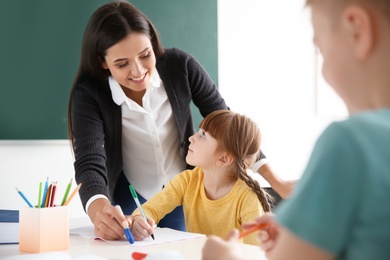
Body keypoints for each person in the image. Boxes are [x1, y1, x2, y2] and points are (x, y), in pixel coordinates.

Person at [67, 0, 292, 241]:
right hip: (129, 194)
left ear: (153, 44)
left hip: (184, 190)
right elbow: (90, 162)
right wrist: (98, 210)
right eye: (122, 64)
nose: (138, 71)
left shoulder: (180, 66)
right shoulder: (89, 95)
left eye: (145, 55)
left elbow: (231, 129)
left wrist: (276, 181)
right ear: (103, 62)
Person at [202, 0, 390, 259]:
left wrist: (225, 257)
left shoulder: (350, 142)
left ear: (357, 30)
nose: (324, 71)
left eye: (321, 50)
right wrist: (306, 235)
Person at [130, 110, 271, 245]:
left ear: (223, 159)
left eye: (203, 135)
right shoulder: (187, 181)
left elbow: (256, 253)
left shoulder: (247, 198)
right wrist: (141, 219)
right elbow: (151, 209)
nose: (191, 138)